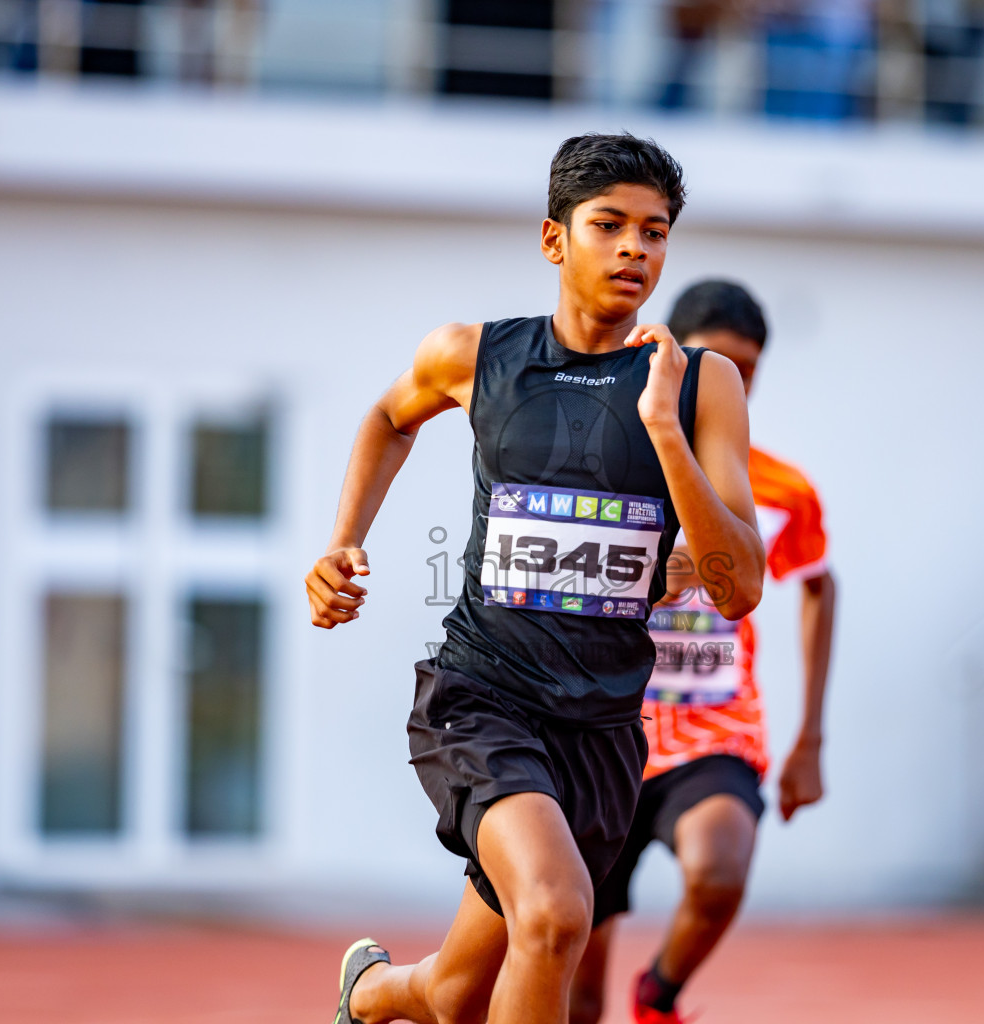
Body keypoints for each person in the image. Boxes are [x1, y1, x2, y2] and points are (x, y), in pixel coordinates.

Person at [304, 134, 765, 1024]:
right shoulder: (476, 355)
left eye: (656, 231)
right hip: (483, 697)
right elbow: (389, 418)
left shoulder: (703, 387)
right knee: (555, 917)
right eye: (610, 226)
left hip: (599, 731)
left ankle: (367, 997)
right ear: (555, 240)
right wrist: (341, 542)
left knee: (455, 988)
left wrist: (666, 434)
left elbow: (739, 585)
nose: (636, 248)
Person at [569, 280, 837, 1024]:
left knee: (720, 871)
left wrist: (810, 738)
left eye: (750, 370)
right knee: (576, 1000)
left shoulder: (780, 488)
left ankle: (659, 993)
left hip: (713, 731)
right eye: (720, 363)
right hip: (600, 733)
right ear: (669, 357)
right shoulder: (604, 468)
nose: (735, 383)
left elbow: (818, 586)